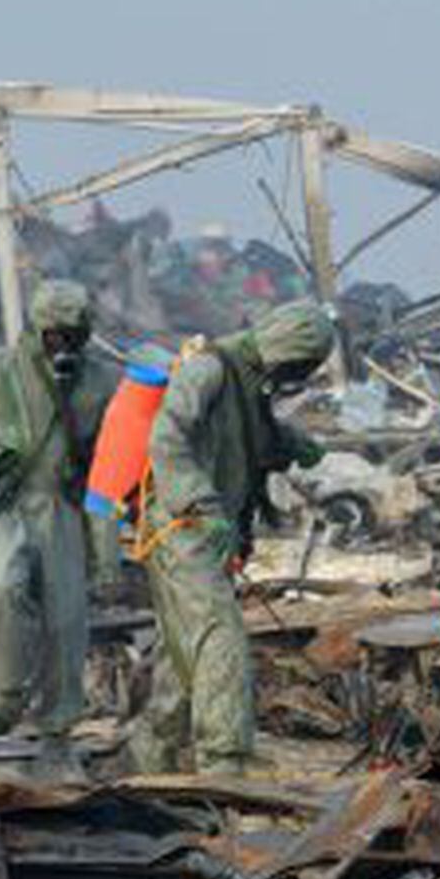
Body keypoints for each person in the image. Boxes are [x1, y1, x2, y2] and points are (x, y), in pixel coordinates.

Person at [131, 299, 334, 774]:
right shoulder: (209, 369)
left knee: (183, 653)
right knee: (220, 638)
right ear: (285, 346)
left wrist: (291, 444)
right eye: (301, 364)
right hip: (182, 526)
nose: (298, 374)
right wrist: (199, 501)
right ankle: (225, 760)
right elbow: (167, 437)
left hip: (208, 531)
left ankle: (149, 758)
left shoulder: (249, 380)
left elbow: (247, 437)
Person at [0, 281, 117, 764]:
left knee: (65, 619)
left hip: (64, 505)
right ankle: (3, 695)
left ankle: (58, 722)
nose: (61, 344)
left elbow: (113, 458)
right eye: (52, 334)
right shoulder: (2, 369)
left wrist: (107, 552)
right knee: (3, 588)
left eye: (71, 334)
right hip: (9, 500)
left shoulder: (104, 380)